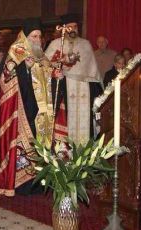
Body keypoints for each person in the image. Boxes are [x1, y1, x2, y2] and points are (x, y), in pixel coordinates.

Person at [0, 18, 64, 196]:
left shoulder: (39, 53)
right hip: (21, 108)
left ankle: (39, 180)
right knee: (23, 146)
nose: (37, 40)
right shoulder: (15, 51)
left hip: (39, 108)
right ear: (25, 36)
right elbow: (5, 79)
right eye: (33, 36)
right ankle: (21, 184)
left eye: (39, 36)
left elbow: (47, 74)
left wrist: (56, 75)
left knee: (39, 143)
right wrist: (24, 68)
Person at [45, 13, 102, 144]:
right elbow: (45, 65)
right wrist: (57, 69)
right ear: (64, 29)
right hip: (64, 88)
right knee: (66, 120)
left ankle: (85, 150)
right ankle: (66, 151)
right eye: (69, 27)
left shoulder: (86, 44)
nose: (73, 29)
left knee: (85, 120)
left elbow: (91, 69)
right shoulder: (55, 44)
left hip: (85, 89)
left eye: (75, 26)